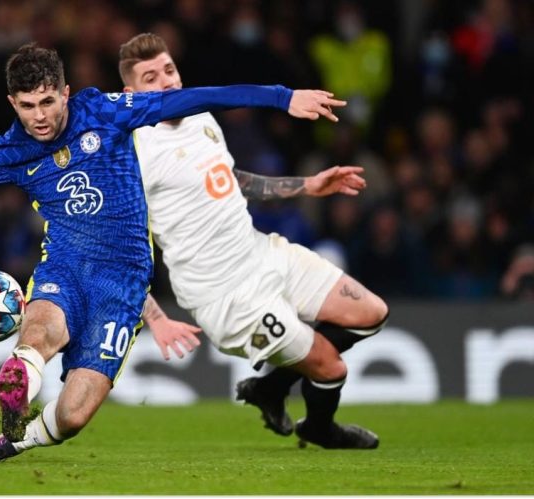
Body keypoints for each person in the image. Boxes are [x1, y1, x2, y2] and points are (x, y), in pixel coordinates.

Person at [0, 42, 346, 462]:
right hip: (65, 263)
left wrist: (282, 97)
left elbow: (194, 98)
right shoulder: (11, 151)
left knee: (74, 415)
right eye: (27, 106)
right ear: (12, 103)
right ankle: (22, 373)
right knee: (42, 331)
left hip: (123, 280)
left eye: (47, 102)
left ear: (65, 92)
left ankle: (15, 439)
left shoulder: (104, 112)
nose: (40, 117)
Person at [119, 33, 389, 449]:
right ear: (129, 94)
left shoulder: (200, 118)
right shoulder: (131, 154)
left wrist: (306, 185)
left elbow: (228, 179)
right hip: (226, 297)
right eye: (150, 78)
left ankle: (271, 388)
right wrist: (154, 317)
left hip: (261, 253)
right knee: (332, 369)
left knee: (371, 313)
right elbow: (117, 247)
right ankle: (320, 428)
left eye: (168, 70)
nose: (166, 82)